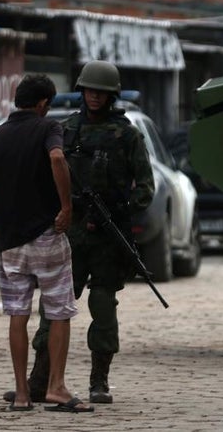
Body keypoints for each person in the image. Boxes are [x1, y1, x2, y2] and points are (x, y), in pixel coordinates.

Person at [20, 60, 155, 406]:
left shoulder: (127, 135)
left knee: (103, 305)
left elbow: (145, 187)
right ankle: (40, 380)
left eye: (101, 92)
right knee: (54, 307)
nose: (95, 97)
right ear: (83, 92)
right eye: (90, 91)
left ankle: (99, 380)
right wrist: (63, 208)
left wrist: (120, 209)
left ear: (111, 95)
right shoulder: (64, 130)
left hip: (108, 238)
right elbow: (44, 177)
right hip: (70, 233)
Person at [0, 74, 94, 413]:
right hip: (47, 235)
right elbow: (57, 159)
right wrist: (66, 207)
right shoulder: (48, 128)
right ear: (43, 104)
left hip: (11, 242)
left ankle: (22, 393)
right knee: (59, 312)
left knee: (17, 314)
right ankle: (56, 388)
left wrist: (11, 201)